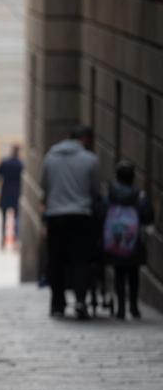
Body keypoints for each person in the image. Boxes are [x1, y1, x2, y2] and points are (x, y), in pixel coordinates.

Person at [41, 125, 101, 320]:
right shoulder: (90, 160)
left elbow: (45, 187)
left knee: (56, 261)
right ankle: (81, 300)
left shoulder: (50, 158)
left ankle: (57, 303)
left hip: (56, 216)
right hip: (81, 217)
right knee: (80, 260)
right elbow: (95, 192)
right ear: (85, 139)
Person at [101, 161, 155, 320]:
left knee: (119, 273)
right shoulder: (139, 195)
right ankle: (134, 307)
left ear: (117, 176)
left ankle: (121, 308)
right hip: (134, 240)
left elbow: (102, 212)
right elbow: (147, 216)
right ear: (133, 177)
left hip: (115, 240)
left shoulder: (110, 195)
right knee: (133, 274)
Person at [0, 144, 24, 249]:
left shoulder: (4, 163)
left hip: (5, 194)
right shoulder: (21, 164)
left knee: (4, 218)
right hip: (17, 194)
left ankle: (3, 240)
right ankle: (16, 240)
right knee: (16, 218)